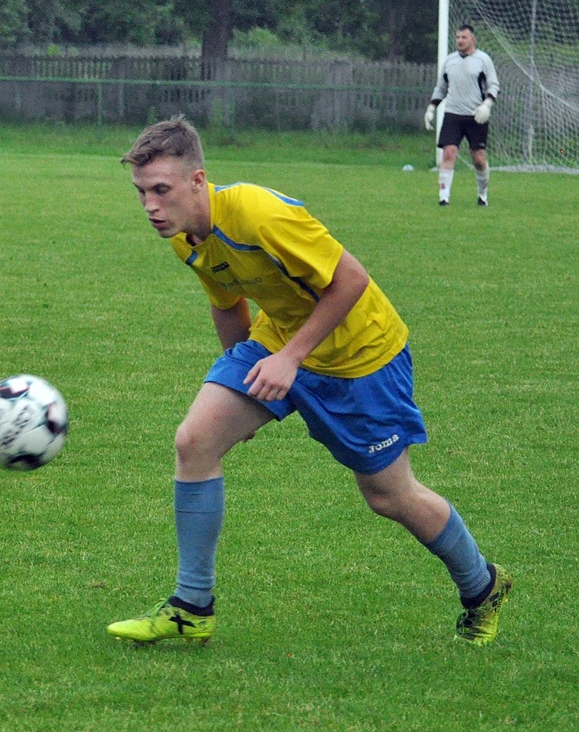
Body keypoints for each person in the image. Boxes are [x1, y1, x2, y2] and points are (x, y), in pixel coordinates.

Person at [107, 116, 510, 647]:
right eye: (141, 193)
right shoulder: (186, 238)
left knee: (389, 496)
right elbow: (228, 305)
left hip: (360, 353)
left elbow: (351, 280)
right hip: (281, 340)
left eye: (161, 190)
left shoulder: (256, 213)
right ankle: (191, 606)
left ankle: (483, 586)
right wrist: (246, 394)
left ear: (199, 181)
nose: (151, 207)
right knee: (195, 440)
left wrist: (291, 359)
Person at [425, 24, 499, 207]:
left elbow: (493, 85)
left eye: (464, 37)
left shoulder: (483, 60)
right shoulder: (450, 61)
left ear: (472, 40)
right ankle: (444, 197)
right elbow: (441, 87)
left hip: (476, 116)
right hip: (453, 114)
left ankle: (483, 195)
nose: (460, 40)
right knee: (449, 153)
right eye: (458, 37)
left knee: (479, 159)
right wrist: (431, 108)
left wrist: (487, 105)